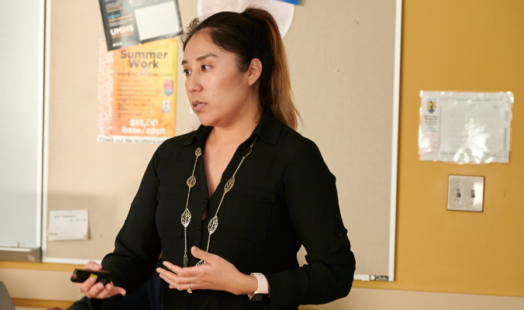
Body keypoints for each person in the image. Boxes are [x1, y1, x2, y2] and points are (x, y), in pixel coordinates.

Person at [76, 8, 356, 310]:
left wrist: (248, 284)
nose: (192, 84)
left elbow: (335, 272)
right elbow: (132, 255)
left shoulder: (294, 157)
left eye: (206, 67)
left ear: (251, 71)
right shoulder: (170, 157)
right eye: (187, 71)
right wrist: (106, 277)